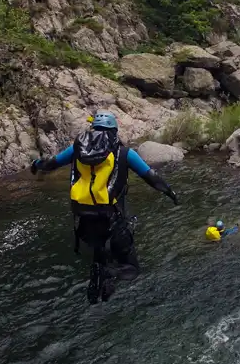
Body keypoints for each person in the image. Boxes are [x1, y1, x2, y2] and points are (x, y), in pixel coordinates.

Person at [30, 111, 179, 304]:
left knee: (99, 251)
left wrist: (36, 164)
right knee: (131, 269)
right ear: (114, 130)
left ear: (94, 129)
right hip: (112, 219)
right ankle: (110, 274)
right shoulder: (125, 153)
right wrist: (170, 193)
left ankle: (100, 278)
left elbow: (51, 163)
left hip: (83, 219)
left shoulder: (77, 149)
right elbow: (150, 176)